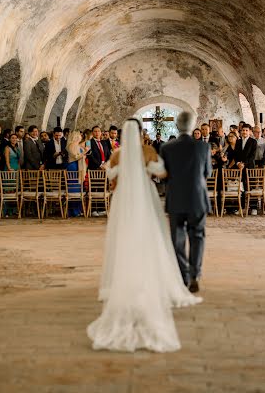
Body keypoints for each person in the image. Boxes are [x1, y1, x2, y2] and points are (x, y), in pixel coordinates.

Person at [87, 119, 201, 353]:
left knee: (123, 236)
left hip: (122, 199)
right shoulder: (147, 150)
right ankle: (151, 277)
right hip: (145, 197)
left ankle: (121, 278)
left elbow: (110, 174)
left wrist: (117, 172)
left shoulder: (118, 153)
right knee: (151, 235)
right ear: (140, 132)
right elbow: (161, 172)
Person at [161, 111, 212, 294]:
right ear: (192, 127)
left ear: (177, 126)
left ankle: (183, 275)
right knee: (197, 236)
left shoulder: (167, 147)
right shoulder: (203, 147)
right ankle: (195, 275)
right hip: (197, 197)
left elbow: (164, 175)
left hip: (176, 198)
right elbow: (208, 173)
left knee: (178, 238)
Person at [66, 130, 88, 216]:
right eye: (79, 135)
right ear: (75, 136)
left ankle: (78, 210)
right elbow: (75, 156)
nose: (81, 137)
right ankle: (73, 211)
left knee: (79, 188)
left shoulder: (78, 145)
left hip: (78, 167)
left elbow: (80, 154)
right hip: (73, 167)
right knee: (74, 188)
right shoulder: (71, 145)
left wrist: (84, 152)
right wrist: (84, 152)